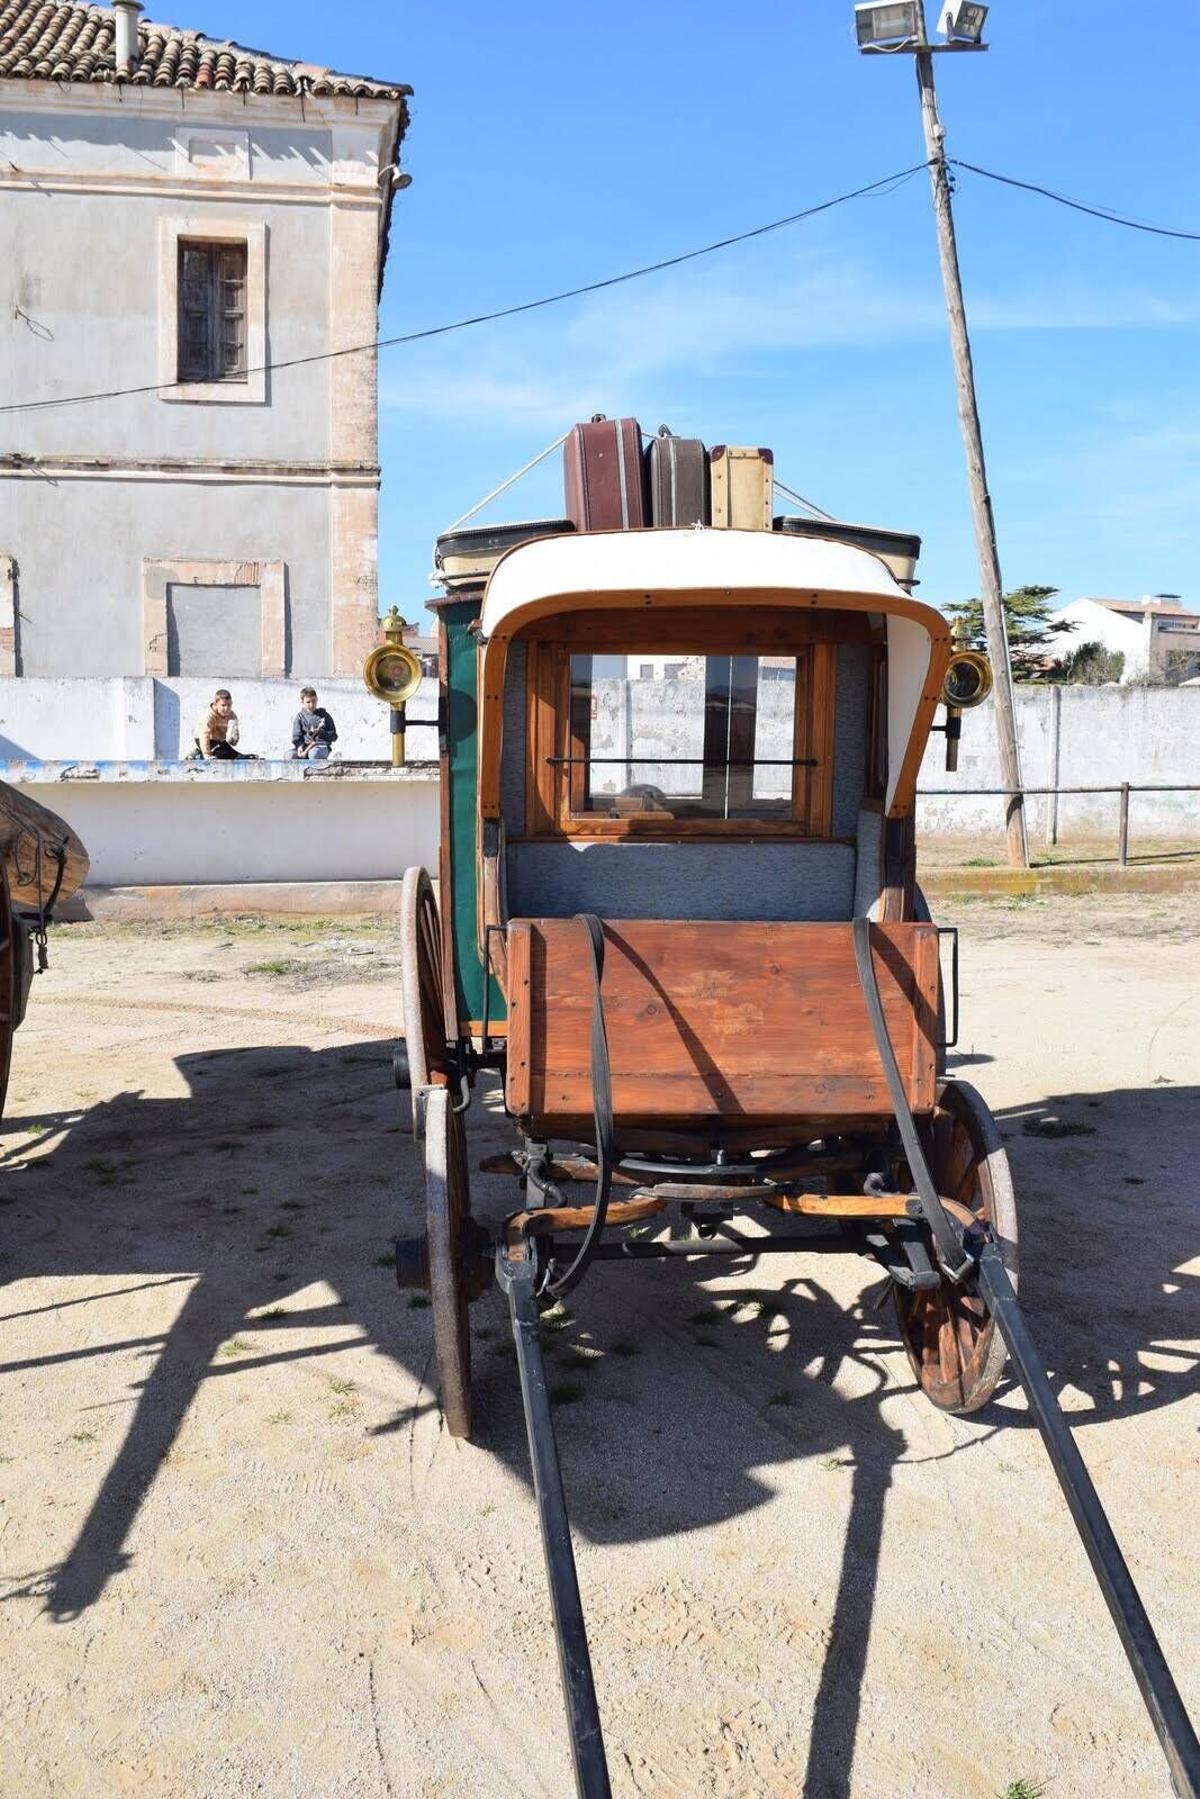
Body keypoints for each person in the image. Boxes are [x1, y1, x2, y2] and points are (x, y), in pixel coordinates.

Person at [193, 689, 255, 760]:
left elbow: (234, 741)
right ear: (216, 704)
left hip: (218, 740)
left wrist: (233, 738)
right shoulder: (208, 716)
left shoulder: (232, 715)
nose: (226, 709)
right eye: (223, 705)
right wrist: (207, 754)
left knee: (231, 753)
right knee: (221, 754)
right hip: (202, 738)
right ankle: (198, 755)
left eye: (229, 705)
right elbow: (204, 735)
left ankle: (243, 757)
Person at [291, 687, 338, 760]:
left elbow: (334, 736)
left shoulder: (324, 716)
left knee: (313, 755)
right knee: (289, 756)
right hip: (305, 746)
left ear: (317, 700)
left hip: (321, 746)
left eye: (314, 701)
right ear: (302, 702)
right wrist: (299, 746)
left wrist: (321, 733)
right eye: (308, 702)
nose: (312, 704)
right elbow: (296, 736)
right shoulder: (300, 717)